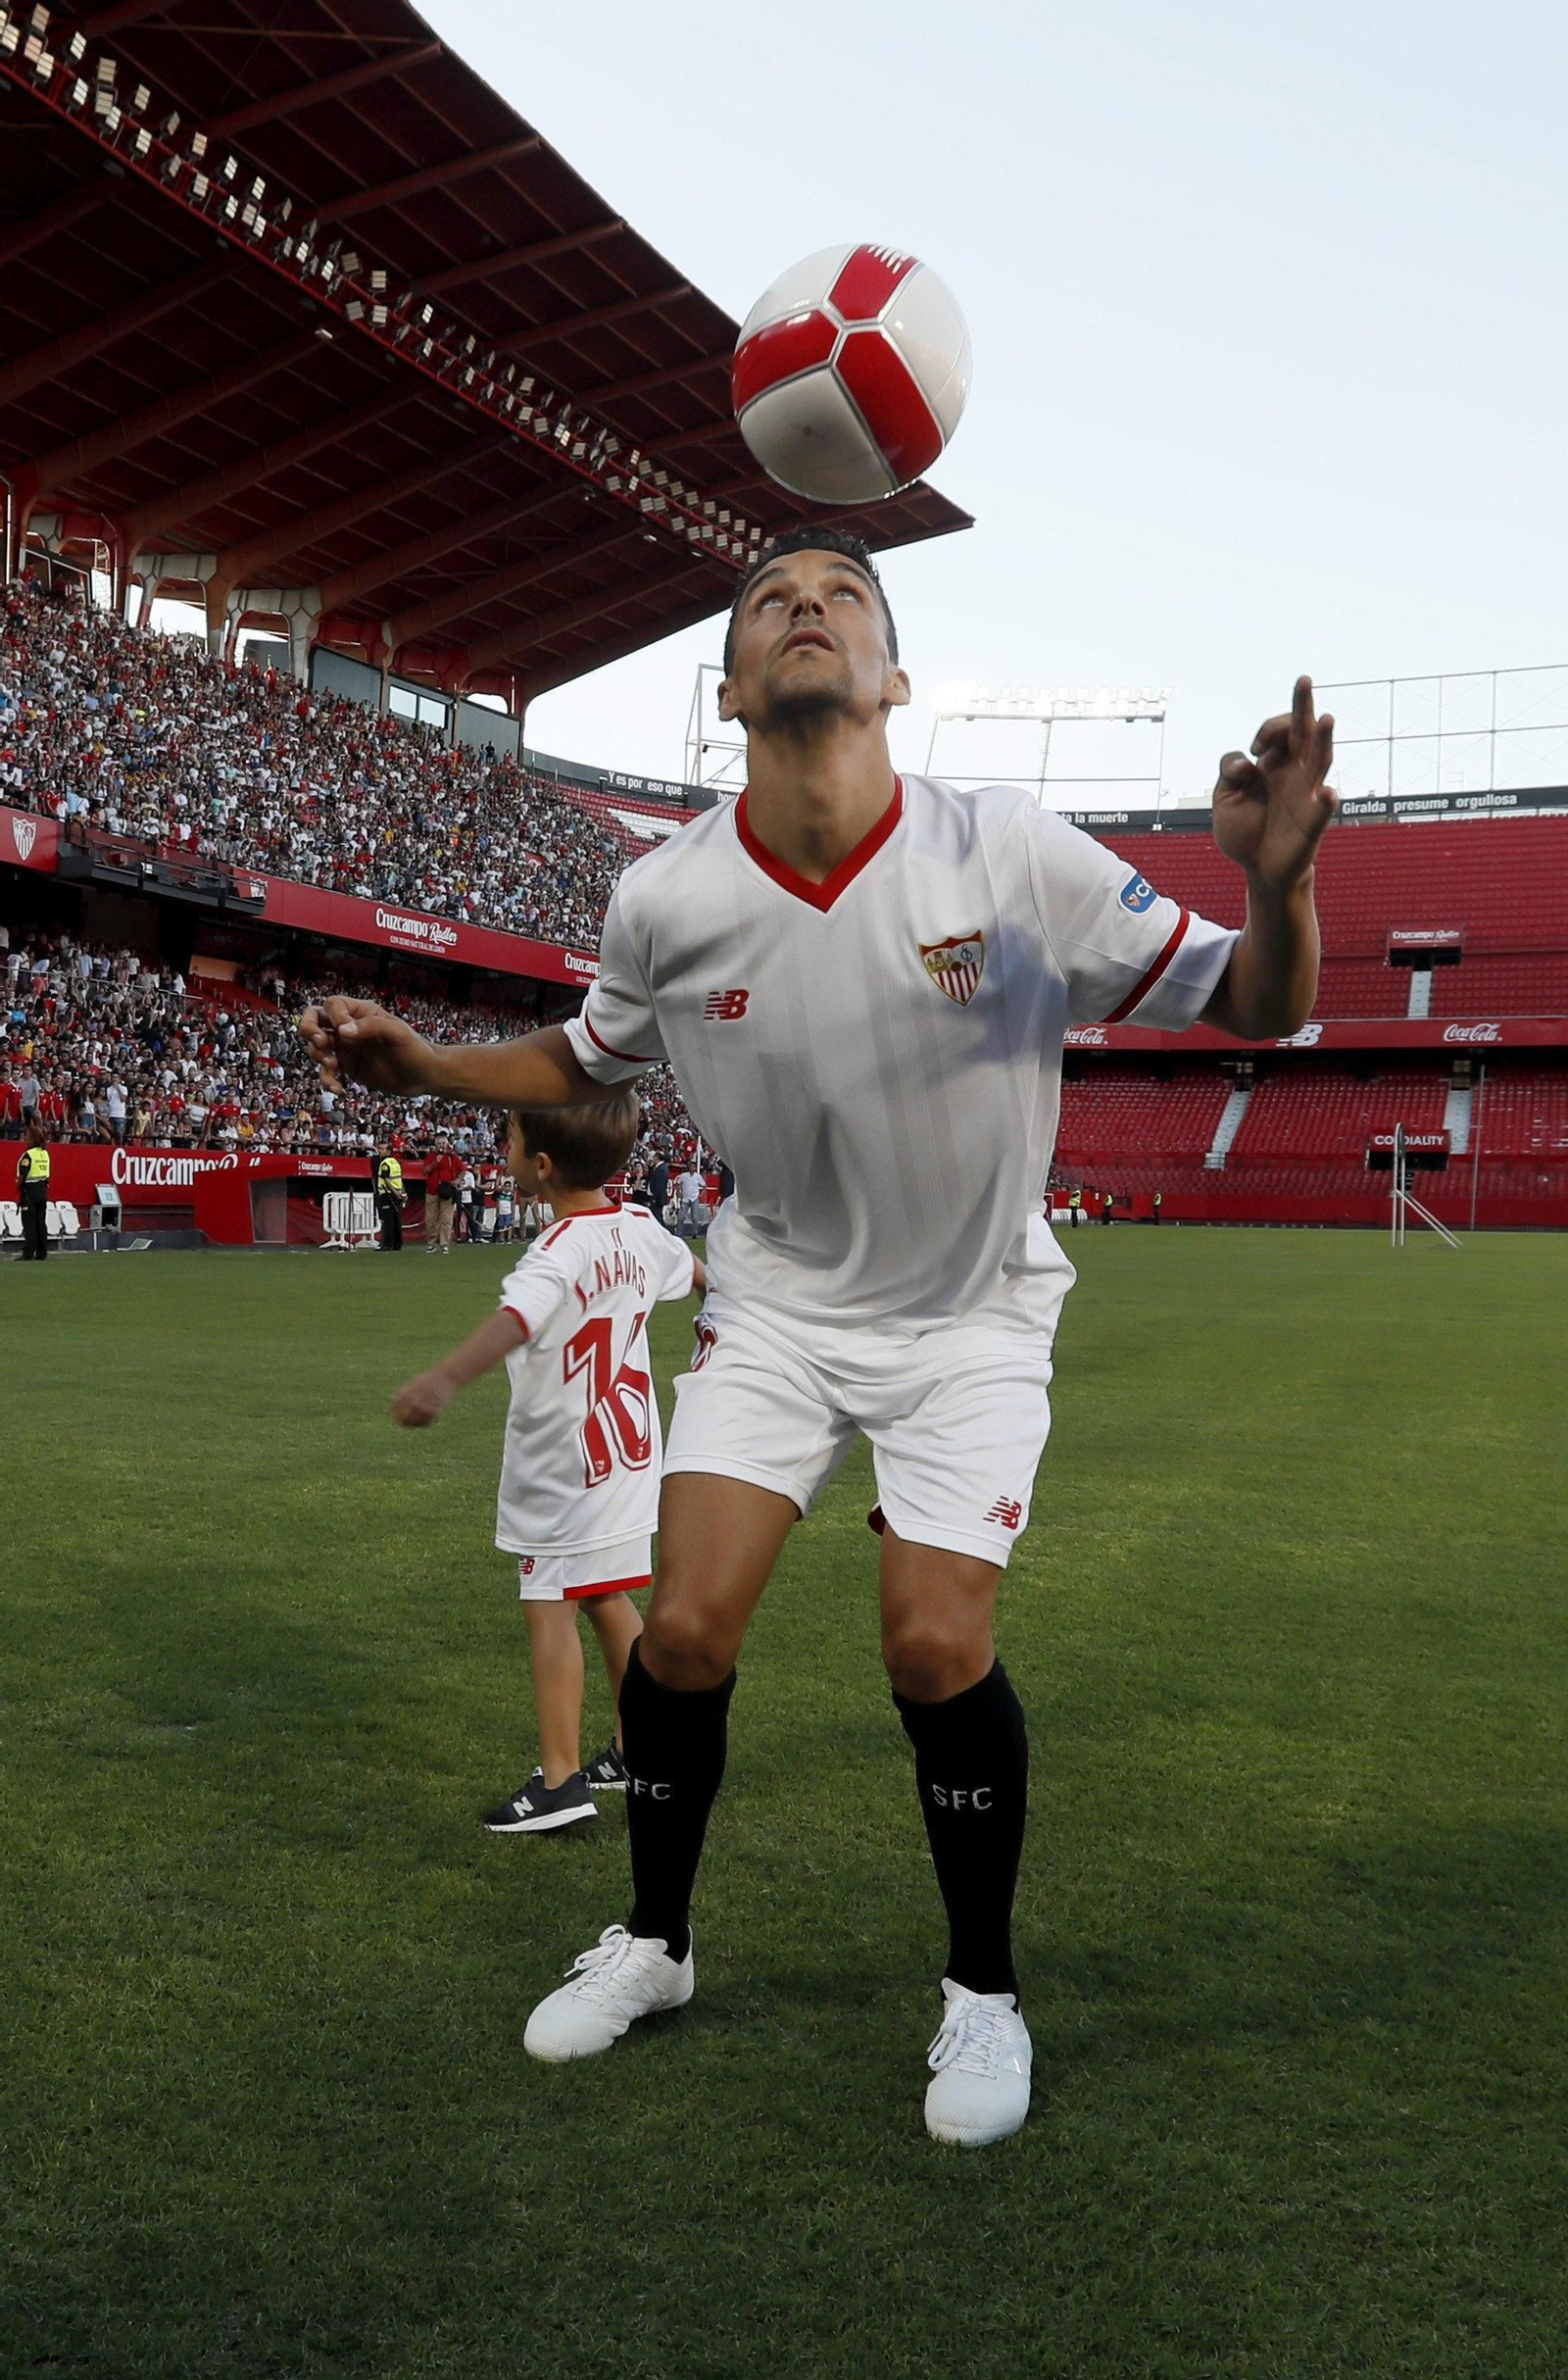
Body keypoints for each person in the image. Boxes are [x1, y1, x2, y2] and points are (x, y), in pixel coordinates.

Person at [303, 526, 1334, 2147]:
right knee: (689, 1630)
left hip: (971, 1310)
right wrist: (424, 1066)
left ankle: (982, 1989)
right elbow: (588, 1057)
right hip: (777, 1304)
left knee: (931, 1642)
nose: (806, 607)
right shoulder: (669, 891)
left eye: (844, 596)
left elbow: (1259, 1007)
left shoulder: (1004, 849)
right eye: (772, 598)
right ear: (729, 686)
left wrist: (1277, 885)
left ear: (894, 678)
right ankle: (654, 1941)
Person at [390, 1097, 706, 1833]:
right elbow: (696, 1274)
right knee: (606, 1595)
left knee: (550, 1603)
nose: (501, 1142)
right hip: (626, 1458)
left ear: (539, 1164)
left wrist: (443, 1378)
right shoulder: (640, 1229)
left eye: (509, 1133)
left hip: (564, 1462)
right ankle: (638, 1749)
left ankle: (561, 1782)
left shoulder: (556, 1251)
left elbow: (517, 1320)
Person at [17, 1119, 51, 1260]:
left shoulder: (28, 1155)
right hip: (42, 1190)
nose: (25, 1138)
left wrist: (19, 1186)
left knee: (29, 1223)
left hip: (29, 1192)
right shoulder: (44, 1153)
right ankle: (42, 1253)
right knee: (41, 1223)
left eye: (27, 1136)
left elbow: (22, 1175)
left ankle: (28, 1253)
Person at [424, 1134, 461, 1252]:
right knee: (430, 1219)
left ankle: (444, 1243)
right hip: (432, 1191)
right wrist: (435, 1162)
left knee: (446, 1219)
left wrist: (458, 1180)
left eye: (443, 1143)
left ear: (447, 1144)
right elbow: (425, 1171)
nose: (441, 1145)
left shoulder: (452, 1157)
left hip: (447, 1191)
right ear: (436, 1145)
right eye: (439, 1143)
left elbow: (463, 1170)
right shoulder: (431, 1156)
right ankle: (431, 1242)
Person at [373, 1147, 406, 1252]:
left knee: (388, 1221)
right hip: (397, 1194)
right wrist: (402, 1193)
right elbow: (399, 1179)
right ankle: (397, 1244)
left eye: (382, 1149)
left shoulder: (384, 1164)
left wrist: (396, 1194)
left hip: (387, 1194)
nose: (380, 1151)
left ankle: (388, 1245)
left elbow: (386, 1179)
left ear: (388, 1151)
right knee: (396, 1219)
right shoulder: (395, 1163)